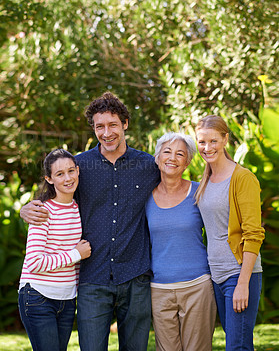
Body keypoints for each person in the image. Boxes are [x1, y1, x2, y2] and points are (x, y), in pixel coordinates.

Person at [20, 92, 160, 351]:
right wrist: (25, 209)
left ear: (125, 124)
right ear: (94, 128)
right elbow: (53, 193)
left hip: (135, 276)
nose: (106, 133)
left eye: (113, 125)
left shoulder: (148, 165)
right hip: (92, 279)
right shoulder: (79, 166)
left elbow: (178, 185)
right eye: (99, 126)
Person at [195, 115, 265, 351]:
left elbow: (254, 234)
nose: (207, 148)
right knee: (239, 343)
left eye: (213, 141)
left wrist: (243, 283)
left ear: (225, 139)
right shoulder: (206, 178)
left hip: (239, 272)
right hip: (217, 274)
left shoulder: (242, 178)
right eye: (202, 142)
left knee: (237, 346)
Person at [146, 132, 216, 351]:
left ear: (187, 162)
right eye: (166, 152)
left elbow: (219, 231)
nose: (172, 158)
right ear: (157, 158)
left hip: (197, 286)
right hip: (159, 289)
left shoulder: (200, 192)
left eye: (180, 154)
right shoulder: (145, 197)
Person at [18, 149, 91, 351]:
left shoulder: (79, 208)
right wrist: (76, 254)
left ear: (77, 171)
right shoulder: (42, 212)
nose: (67, 178)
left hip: (67, 299)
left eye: (70, 171)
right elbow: (34, 262)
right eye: (59, 174)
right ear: (49, 179)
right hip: (38, 297)